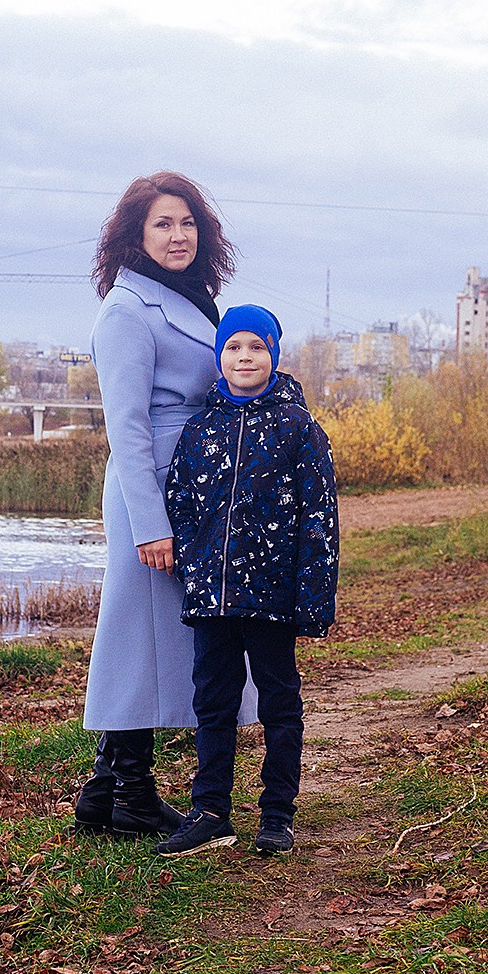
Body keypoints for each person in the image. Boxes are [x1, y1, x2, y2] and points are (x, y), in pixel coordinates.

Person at [74, 172, 254, 837]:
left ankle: (108, 789)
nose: (178, 236)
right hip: (148, 494)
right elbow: (125, 429)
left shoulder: (190, 297)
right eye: (162, 225)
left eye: (186, 223)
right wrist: (151, 523)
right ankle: (130, 795)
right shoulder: (126, 311)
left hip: (193, 488)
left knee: (151, 642)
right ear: (135, 236)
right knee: (135, 639)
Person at [154, 304, 338, 858]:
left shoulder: (299, 429)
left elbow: (319, 518)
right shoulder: (200, 428)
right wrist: (194, 566)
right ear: (219, 357)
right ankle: (210, 810)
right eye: (234, 347)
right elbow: (180, 503)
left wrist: (313, 598)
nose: (244, 357)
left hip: (273, 597)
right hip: (213, 595)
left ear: (273, 354)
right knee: (213, 701)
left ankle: (277, 814)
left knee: (279, 702)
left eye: (256, 347)